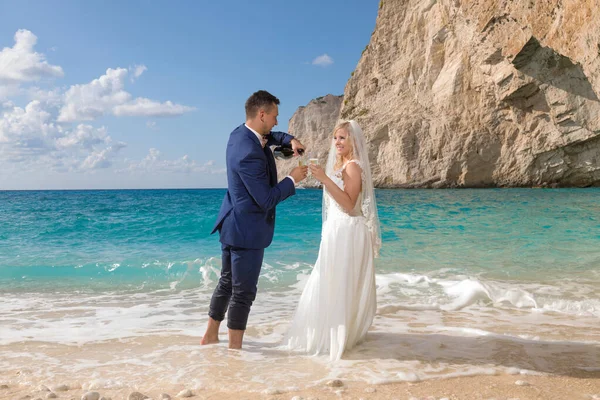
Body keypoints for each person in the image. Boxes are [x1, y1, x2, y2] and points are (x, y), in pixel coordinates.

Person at [202, 90, 308, 349]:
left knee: (227, 282)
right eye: (274, 117)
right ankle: (234, 351)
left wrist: (290, 139)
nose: (275, 122)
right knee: (244, 291)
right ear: (261, 114)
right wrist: (293, 179)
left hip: (231, 223)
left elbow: (271, 136)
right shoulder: (248, 152)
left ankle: (210, 336)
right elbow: (266, 199)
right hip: (246, 231)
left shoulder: (238, 134)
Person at [285, 120, 382, 361]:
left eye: (343, 138)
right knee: (330, 281)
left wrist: (325, 180)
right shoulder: (341, 165)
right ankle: (333, 333)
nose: (337, 143)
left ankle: (339, 338)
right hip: (337, 230)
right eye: (335, 138)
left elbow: (349, 205)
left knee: (339, 283)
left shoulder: (353, 167)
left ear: (353, 142)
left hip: (348, 231)